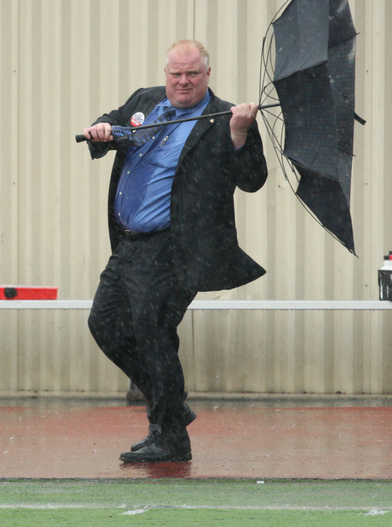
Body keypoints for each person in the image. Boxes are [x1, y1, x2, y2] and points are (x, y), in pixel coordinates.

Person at [83, 40, 268, 463]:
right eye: (175, 74)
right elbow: (113, 123)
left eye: (192, 74)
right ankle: (172, 406)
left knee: (152, 332)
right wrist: (101, 130)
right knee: (105, 324)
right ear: (165, 74)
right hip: (128, 244)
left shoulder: (226, 118)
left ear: (208, 74)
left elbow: (253, 179)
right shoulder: (145, 101)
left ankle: (170, 438)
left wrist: (239, 135)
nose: (183, 81)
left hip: (177, 248)